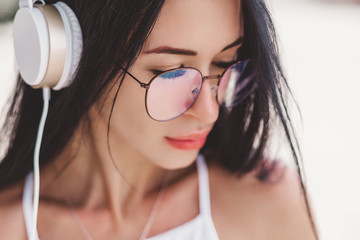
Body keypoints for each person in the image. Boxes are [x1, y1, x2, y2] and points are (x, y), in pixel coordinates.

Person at [0, 0, 318, 239]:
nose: (209, 110)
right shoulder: (9, 225)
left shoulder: (267, 204)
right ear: (69, 57)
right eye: (171, 73)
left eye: (225, 63)